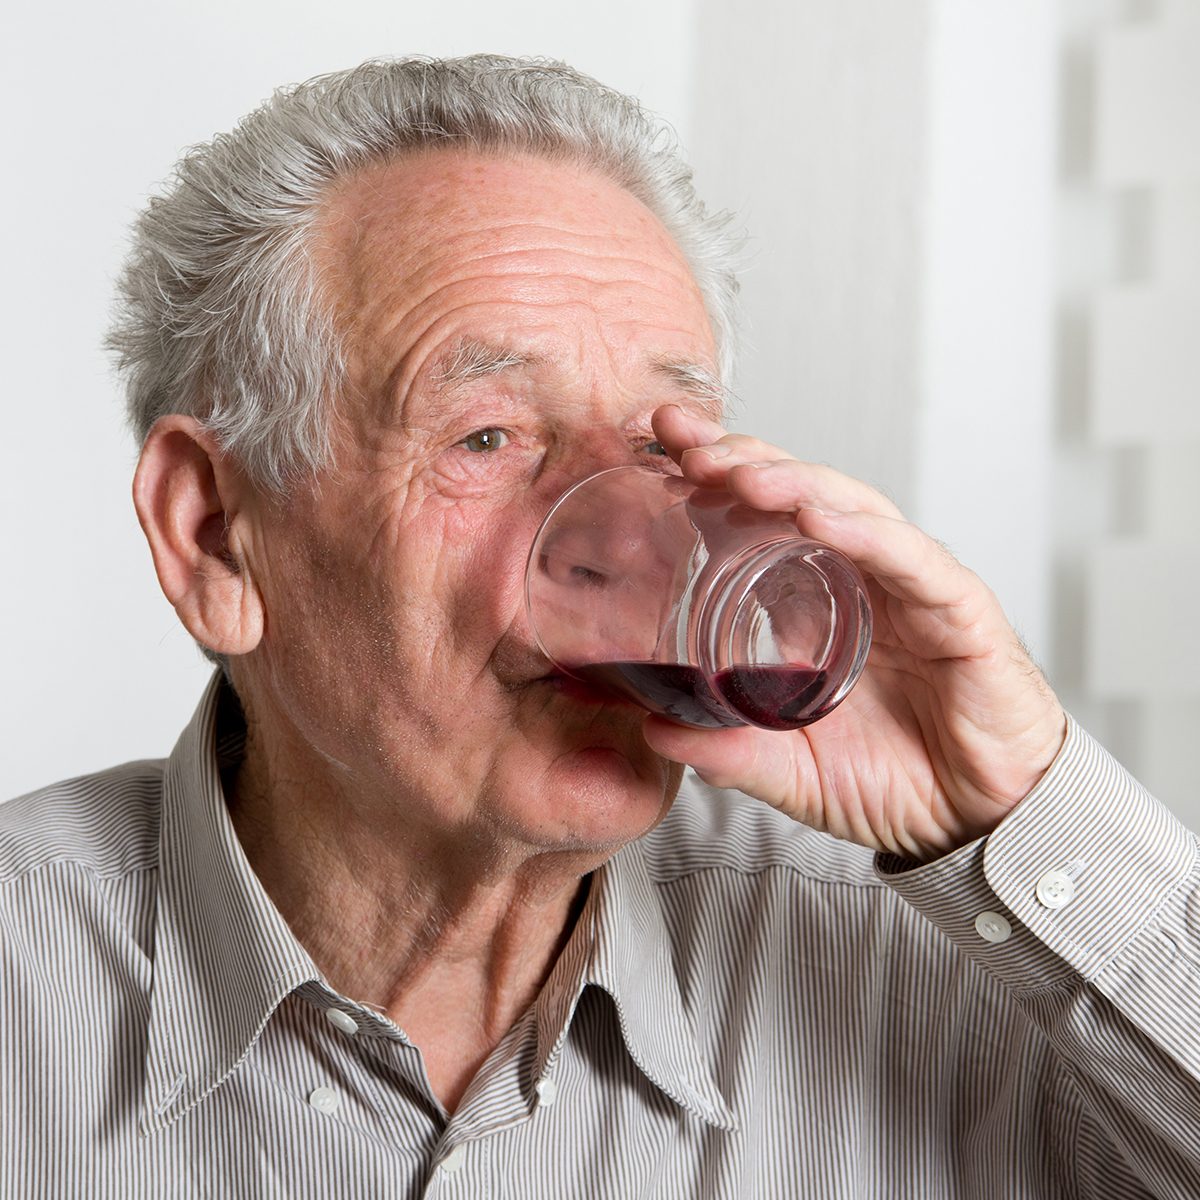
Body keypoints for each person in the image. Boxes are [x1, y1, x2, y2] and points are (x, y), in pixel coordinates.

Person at [1, 55, 1196, 1199]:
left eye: (660, 447)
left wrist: (1016, 801)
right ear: (214, 532)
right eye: (487, 437)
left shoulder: (978, 977)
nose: (627, 539)